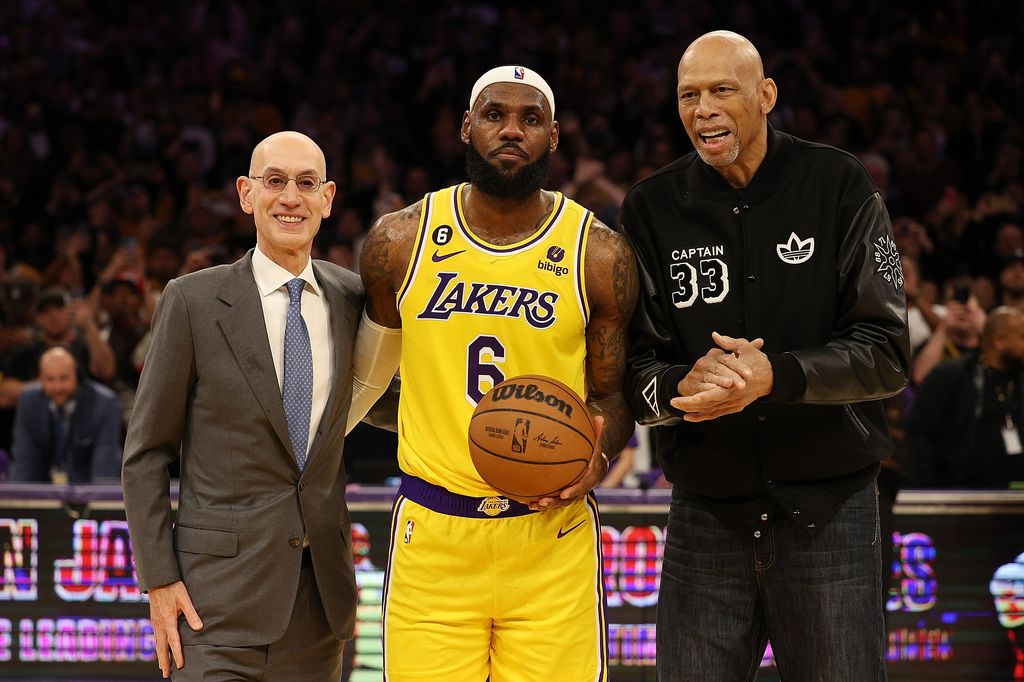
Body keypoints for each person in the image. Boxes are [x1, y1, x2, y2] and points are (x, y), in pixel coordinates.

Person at [619, 32, 910, 681]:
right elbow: (632, 375)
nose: (703, 110)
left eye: (721, 90)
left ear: (765, 95)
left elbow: (887, 354)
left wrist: (775, 376)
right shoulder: (651, 208)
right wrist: (678, 384)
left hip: (829, 514)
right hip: (706, 518)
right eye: (688, 95)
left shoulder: (838, 182)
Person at [360, 65, 637, 680]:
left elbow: (614, 399)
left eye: (530, 118)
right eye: (494, 115)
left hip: (549, 536)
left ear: (555, 136)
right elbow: (369, 385)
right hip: (434, 536)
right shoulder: (398, 244)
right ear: (465, 127)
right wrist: (423, 424)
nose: (511, 130)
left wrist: (595, 458)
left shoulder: (599, 255)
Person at [122, 131, 397, 680]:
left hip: (321, 610)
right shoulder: (192, 301)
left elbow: (396, 407)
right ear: (247, 194)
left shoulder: (355, 299)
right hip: (212, 610)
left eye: (306, 183)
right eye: (275, 182)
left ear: (328, 199)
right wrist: (159, 580)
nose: (290, 198)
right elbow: (146, 453)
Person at [908, 306, 1024, 488]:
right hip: (963, 494)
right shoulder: (950, 376)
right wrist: (928, 491)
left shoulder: (1019, 378)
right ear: (999, 341)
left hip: (1017, 493)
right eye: (1022, 337)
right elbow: (920, 434)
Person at [10, 346, 122, 483]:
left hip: (86, 495)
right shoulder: (29, 401)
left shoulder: (104, 403)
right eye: (50, 379)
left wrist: (97, 501)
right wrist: (23, 501)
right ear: (40, 379)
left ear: (78, 375)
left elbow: (106, 469)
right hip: (41, 496)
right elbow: (24, 462)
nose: (57, 387)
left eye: (64, 378)